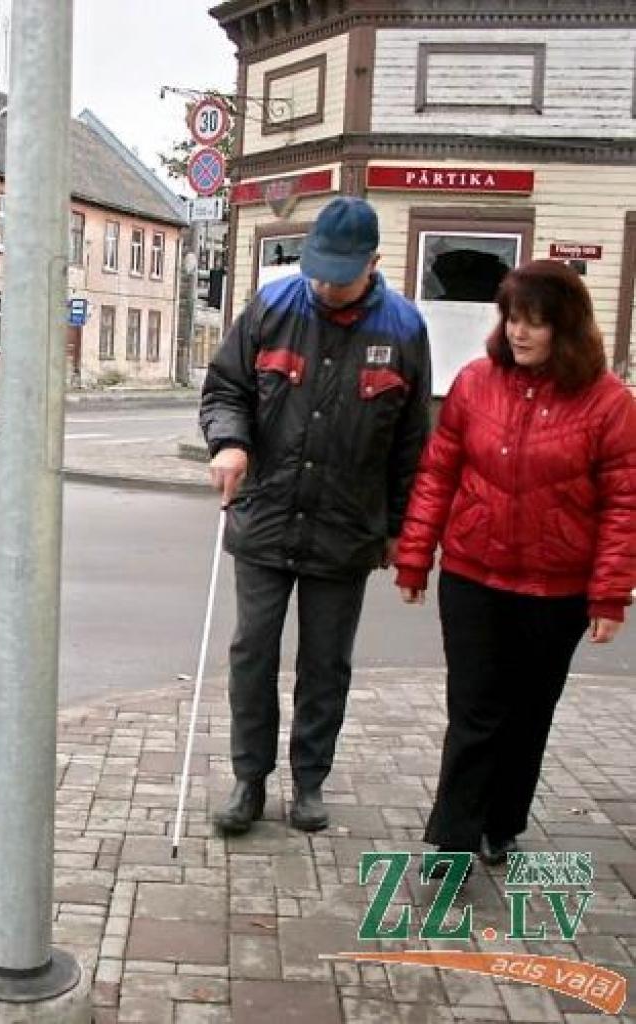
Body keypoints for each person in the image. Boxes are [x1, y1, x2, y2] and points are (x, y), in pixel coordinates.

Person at [395, 258, 636, 872]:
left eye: (535, 322)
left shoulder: (609, 404)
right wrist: (416, 556)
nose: (520, 333)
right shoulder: (475, 383)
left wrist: (610, 596)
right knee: (473, 709)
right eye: (512, 319)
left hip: (555, 592)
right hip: (473, 577)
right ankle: (453, 838)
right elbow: (438, 474)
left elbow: (623, 505)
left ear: (567, 328)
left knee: (528, 713)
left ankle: (502, 822)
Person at [200, 196, 431, 834]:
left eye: (341, 274)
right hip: (267, 513)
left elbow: (414, 440)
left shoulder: (405, 330)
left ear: (375, 263)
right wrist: (229, 441)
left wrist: (398, 527)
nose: (325, 285)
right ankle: (250, 780)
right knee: (253, 651)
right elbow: (226, 389)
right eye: (317, 270)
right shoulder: (271, 308)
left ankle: (309, 783)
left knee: (326, 661)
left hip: (346, 526)